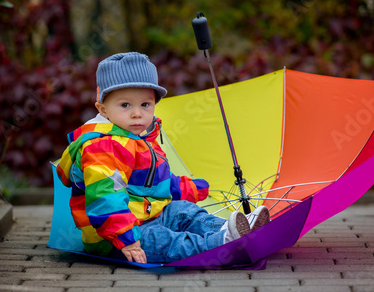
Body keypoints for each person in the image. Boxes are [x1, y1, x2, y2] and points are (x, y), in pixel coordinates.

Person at [56, 52, 270, 263]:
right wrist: (125, 237)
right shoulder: (102, 146)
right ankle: (221, 244)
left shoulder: (141, 139)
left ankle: (231, 227)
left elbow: (154, 181)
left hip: (151, 214)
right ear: (103, 108)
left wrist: (186, 188)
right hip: (117, 235)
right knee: (166, 242)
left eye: (145, 105)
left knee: (184, 212)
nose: (137, 113)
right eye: (125, 105)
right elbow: (105, 196)